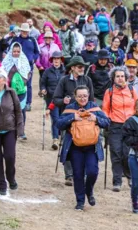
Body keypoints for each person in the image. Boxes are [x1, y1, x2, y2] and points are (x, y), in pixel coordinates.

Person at [57, 85, 110, 211]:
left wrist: (96, 118)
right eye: (80, 96)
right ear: (75, 97)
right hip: (75, 147)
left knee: (93, 171)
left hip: (92, 147)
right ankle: (80, 201)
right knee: (78, 174)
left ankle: (89, 190)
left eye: (85, 96)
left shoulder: (95, 107)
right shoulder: (70, 108)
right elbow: (59, 124)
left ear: (88, 95)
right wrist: (72, 118)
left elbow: (107, 122)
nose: (82, 98)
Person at [53, 55, 94, 186]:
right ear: (73, 68)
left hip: (85, 117)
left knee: (87, 142)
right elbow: (56, 99)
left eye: (83, 66)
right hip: (69, 116)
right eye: (80, 66)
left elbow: (92, 100)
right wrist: (63, 101)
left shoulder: (87, 80)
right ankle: (69, 175)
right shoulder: (64, 80)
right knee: (68, 144)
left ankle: (85, 172)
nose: (82, 69)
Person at [102, 66, 138, 192]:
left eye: (122, 76)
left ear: (126, 77)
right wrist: (106, 121)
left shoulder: (132, 90)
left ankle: (129, 176)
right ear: (113, 78)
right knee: (116, 153)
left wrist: (136, 119)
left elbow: (137, 105)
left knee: (127, 154)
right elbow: (105, 109)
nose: (120, 78)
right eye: (117, 76)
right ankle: (117, 181)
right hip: (115, 125)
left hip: (129, 125)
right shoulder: (110, 92)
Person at [2, 42, 31, 140]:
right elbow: (2, 74)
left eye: (18, 51)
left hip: (22, 91)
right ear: (11, 51)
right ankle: (9, 130)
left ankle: (21, 132)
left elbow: (28, 73)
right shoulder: (6, 61)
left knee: (21, 111)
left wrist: (22, 82)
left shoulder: (24, 60)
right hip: (8, 90)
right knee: (8, 110)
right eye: (14, 51)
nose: (16, 53)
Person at [10, 23, 39, 112]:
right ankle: (14, 102)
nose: (24, 32)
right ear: (21, 31)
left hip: (28, 66)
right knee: (15, 83)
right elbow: (9, 50)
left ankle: (27, 103)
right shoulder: (16, 39)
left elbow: (37, 52)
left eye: (26, 31)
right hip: (17, 65)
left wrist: (34, 59)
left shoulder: (32, 40)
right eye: (23, 31)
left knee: (28, 84)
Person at [40, 51, 65, 150]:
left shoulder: (66, 71)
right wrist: (43, 89)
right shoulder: (47, 71)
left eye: (58, 59)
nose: (56, 61)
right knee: (55, 119)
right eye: (54, 59)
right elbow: (43, 83)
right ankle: (55, 139)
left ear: (61, 60)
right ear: (52, 60)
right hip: (51, 99)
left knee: (63, 118)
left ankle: (62, 137)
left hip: (63, 100)